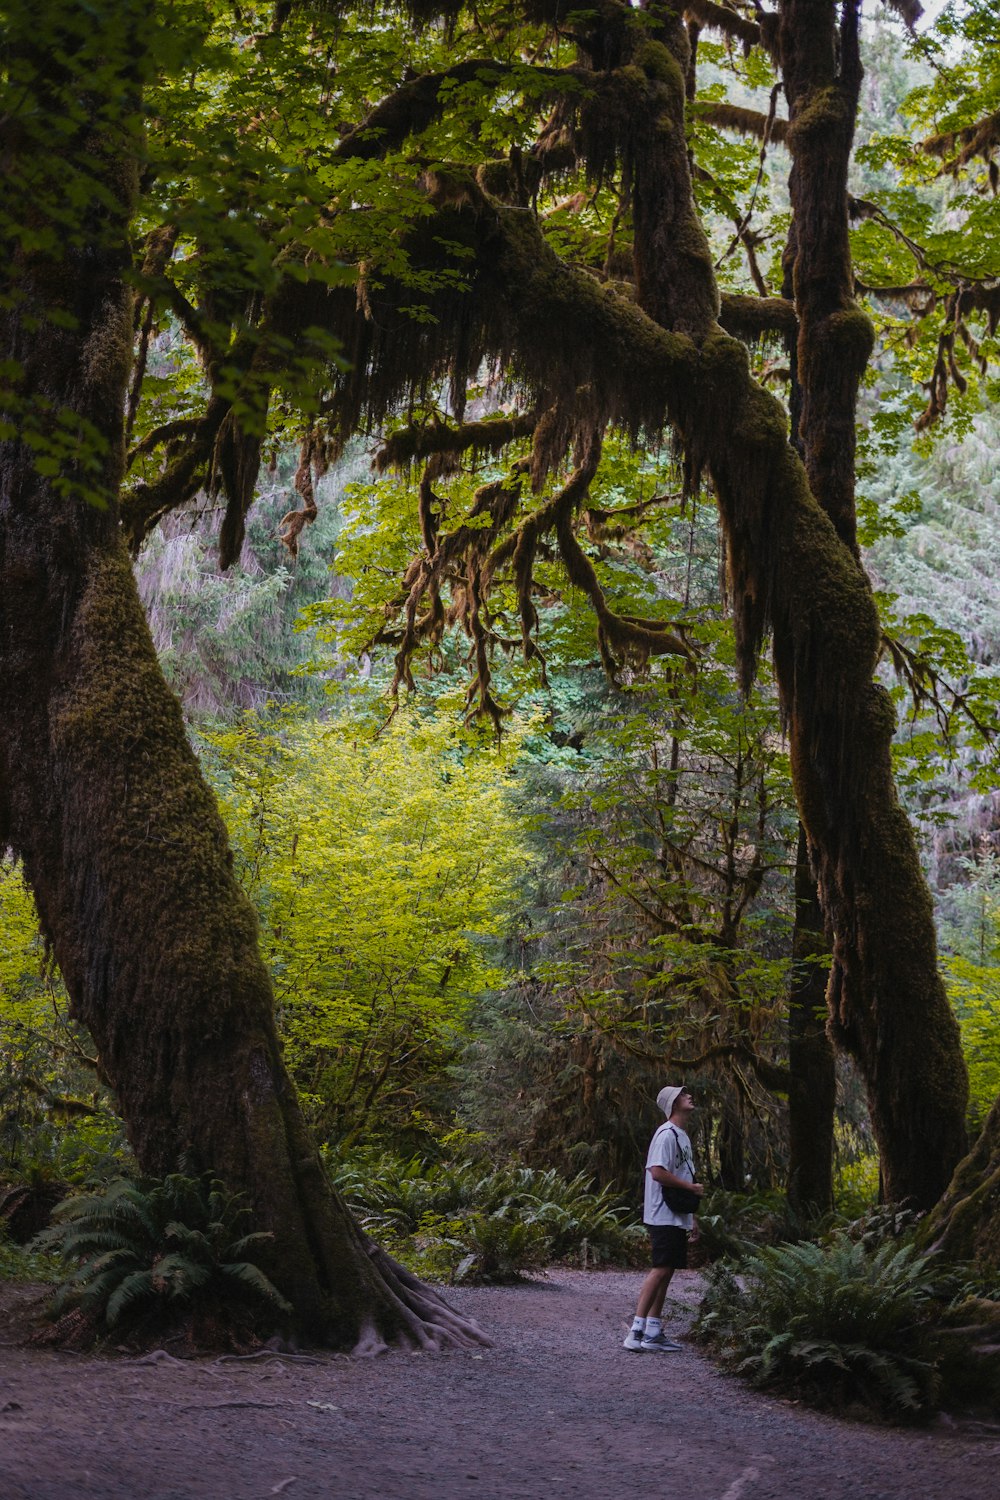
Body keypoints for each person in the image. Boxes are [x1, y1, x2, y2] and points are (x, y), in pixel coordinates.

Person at [623, 1084, 704, 1352]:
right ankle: (635, 1331)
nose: (689, 1096)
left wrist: (691, 1217)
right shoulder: (666, 1135)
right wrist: (690, 1189)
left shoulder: (682, 1136)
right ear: (673, 1104)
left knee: (667, 1270)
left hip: (676, 1215)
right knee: (659, 1269)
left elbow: (681, 1174)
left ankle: (653, 1331)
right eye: (683, 1095)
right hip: (661, 1213)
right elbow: (657, 1171)